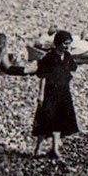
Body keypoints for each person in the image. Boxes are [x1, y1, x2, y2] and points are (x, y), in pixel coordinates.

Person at [32, 30, 80, 162]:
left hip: (63, 93)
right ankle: (38, 149)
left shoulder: (68, 56)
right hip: (50, 93)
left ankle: (54, 149)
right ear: (58, 43)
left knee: (59, 120)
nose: (67, 46)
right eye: (65, 43)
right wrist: (40, 94)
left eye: (69, 44)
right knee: (45, 120)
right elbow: (42, 76)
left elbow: (73, 69)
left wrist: (68, 78)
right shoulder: (49, 58)